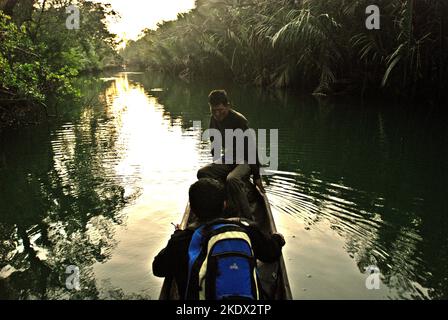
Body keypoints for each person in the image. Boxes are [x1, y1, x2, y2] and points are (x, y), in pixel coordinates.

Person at [152, 178, 285, 300]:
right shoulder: (245, 230)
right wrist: (277, 238)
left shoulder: (180, 240)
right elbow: (271, 253)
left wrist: (176, 236)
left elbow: (158, 269)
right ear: (224, 205)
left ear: (192, 208)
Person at [197, 90, 263, 219]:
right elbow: (214, 143)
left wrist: (256, 176)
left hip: (246, 159)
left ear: (228, 106)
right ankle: (218, 207)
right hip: (230, 157)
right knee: (203, 173)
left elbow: (251, 148)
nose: (217, 114)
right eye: (213, 110)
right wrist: (215, 165)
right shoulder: (213, 119)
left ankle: (249, 219)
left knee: (232, 179)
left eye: (220, 110)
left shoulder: (239, 120)